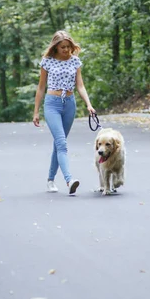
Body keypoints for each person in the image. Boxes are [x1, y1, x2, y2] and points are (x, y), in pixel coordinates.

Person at [33, 30, 95, 194]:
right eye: (63, 47)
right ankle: (69, 180)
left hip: (69, 104)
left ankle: (50, 180)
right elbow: (40, 88)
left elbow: (80, 85)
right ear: (55, 47)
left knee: (58, 144)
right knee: (62, 144)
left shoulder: (75, 61)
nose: (66, 50)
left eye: (68, 47)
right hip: (52, 104)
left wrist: (88, 104)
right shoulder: (47, 61)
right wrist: (36, 112)